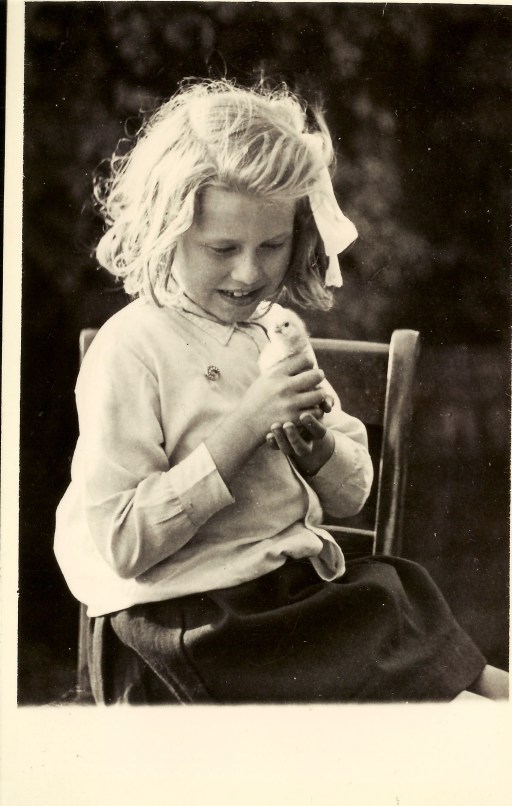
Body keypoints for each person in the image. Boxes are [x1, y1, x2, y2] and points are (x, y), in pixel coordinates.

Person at [54, 79, 507, 704]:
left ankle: (482, 692)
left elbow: (352, 497)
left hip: (272, 594)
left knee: (393, 588)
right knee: (370, 624)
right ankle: (473, 698)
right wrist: (245, 427)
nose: (250, 272)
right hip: (181, 626)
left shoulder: (277, 332)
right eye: (222, 248)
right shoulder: (132, 349)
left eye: (272, 245)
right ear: (167, 230)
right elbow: (123, 545)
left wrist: (316, 450)